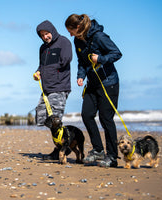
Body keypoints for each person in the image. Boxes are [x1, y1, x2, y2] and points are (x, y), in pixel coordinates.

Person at [65, 14, 122, 167]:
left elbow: (116, 53)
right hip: (92, 83)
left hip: (108, 83)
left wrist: (101, 59)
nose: (69, 34)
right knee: (87, 114)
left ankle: (112, 157)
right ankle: (98, 150)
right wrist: (80, 76)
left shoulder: (99, 37)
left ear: (78, 27)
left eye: (70, 30)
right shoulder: (77, 40)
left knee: (105, 119)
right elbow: (82, 62)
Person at [33, 20, 72, 160]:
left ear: (52, 31)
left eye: (47, 33)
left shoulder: (64, 42)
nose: (45, 37)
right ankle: (65, 143)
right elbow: (41, 65)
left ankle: (61, 149)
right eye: (42, 35)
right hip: (46, 88)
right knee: (42, 117)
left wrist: (50, 70)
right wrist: (38, 72)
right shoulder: (42, 48)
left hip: (60, 86)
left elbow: (66, 59)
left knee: (55, 120)